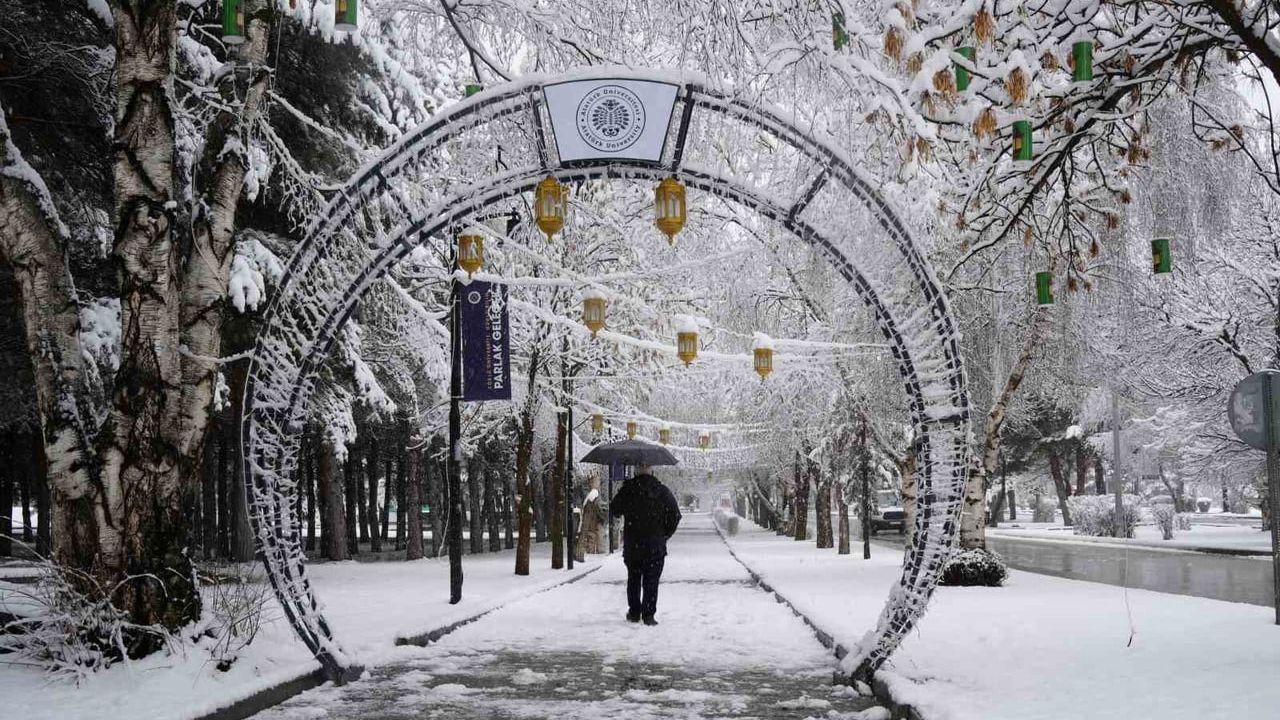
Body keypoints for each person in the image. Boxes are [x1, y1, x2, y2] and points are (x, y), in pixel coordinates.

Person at [609, 465, 682, 626]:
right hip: (655, 545)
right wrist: (664, 534)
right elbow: (675, 515)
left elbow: (614, 509)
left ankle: (634, 612)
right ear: (651, 470)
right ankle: (648, 615)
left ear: (635, 471)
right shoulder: (662, 491)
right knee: (652, 580)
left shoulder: (628, 490)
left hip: (633, 544)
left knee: (633, 579)